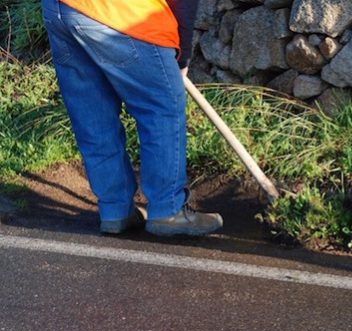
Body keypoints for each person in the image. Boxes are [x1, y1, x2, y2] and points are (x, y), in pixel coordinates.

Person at [41, 0, 223, 236]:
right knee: (160, 106)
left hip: (60, 10)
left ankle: (115, 210)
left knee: (93, 113)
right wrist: (183, 54)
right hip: (121, 12)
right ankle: (168, 210)